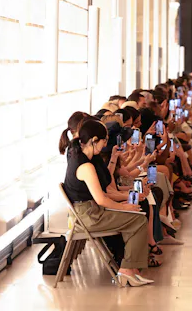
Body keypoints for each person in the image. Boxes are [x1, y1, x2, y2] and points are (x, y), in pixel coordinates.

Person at [59, 119, 154, 287]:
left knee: (135, 217)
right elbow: (101, 198)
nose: (105, 145)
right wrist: (125, 206)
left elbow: (104, 193)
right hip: (89, 216)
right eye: (104, 141)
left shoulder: (80, 157)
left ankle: (130, 268)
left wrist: (126, 204)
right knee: (138, 220)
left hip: (88, 212)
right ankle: (127, 269)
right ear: (94, 140)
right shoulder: (85, 166)